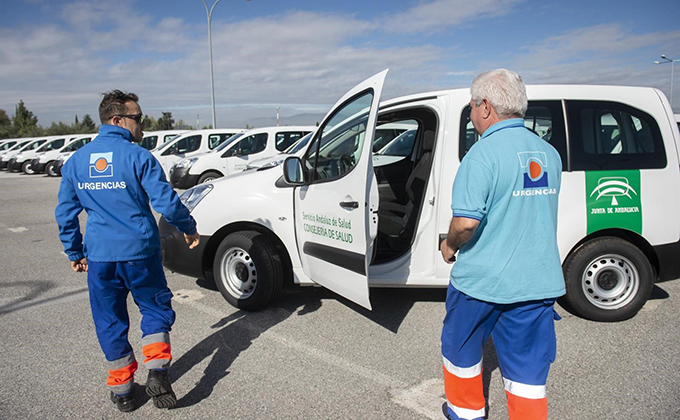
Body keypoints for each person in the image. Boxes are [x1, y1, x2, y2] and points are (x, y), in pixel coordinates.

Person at [55, 90, 200, 412]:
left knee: (109, 320)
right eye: (139, 118)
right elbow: (166, 203)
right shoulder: (139, 157)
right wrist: (189, 228)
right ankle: (158, 371)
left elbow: (65, 213)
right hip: (140, 253)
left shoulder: (77, 161)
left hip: (100, 257)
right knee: (154, 309)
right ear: (117, 119)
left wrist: (74, 251)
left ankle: (122, 391)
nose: (143, 126)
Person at [440, 69, 565, 420]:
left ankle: (465, 414)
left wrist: (448, 246)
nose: (471, 115)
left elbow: (465, 224)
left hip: (482, 283)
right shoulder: (548, 154)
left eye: (471, 107)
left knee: (462, 355)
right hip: (536, 283)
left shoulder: (481, 155)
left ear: (484, 107)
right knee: (528, 374)